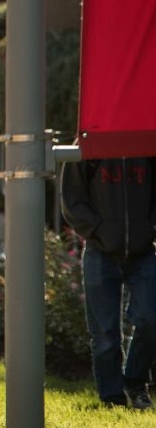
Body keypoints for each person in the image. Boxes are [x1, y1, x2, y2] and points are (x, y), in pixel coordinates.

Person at [62, 155, 156, 410]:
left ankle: (136, 385)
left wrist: (150, 228)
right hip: (99, 252)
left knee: (150, 319)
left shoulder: (146, 144)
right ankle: (112, 399)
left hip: (143, 252)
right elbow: (72, 199)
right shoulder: (89, 147)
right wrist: (98, 231)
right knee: (104, 334)